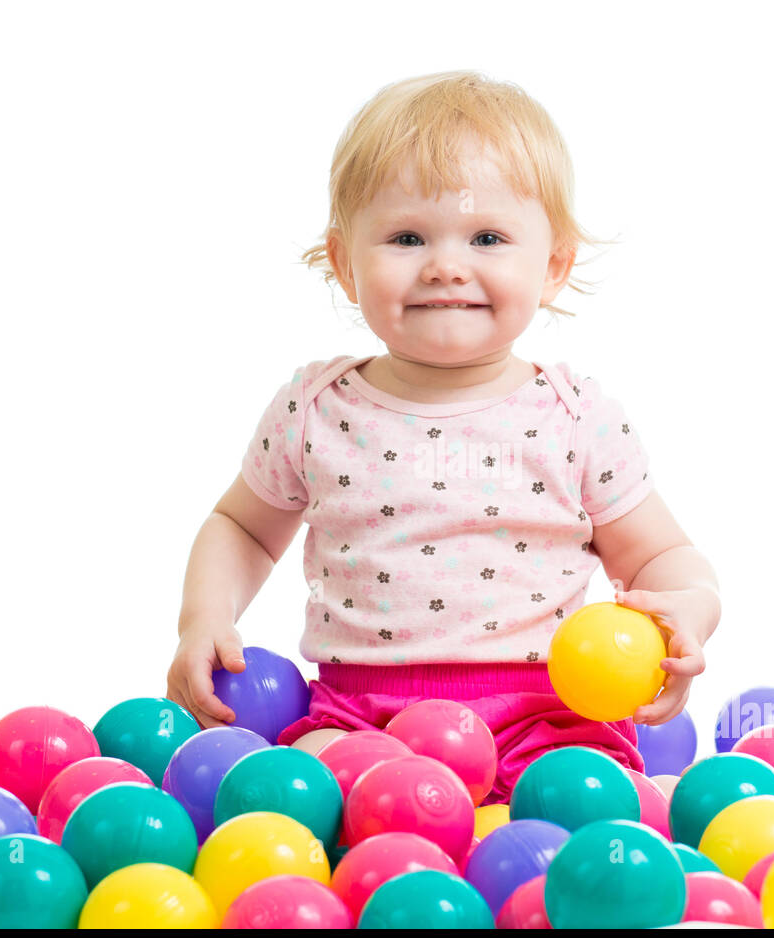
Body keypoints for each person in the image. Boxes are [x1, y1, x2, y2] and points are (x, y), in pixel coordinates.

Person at [165, 70, 721, 805]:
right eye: (405, 237)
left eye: (488, 237)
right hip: (363, 716)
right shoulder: (315, 408)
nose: (446, 265)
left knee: (590, 804)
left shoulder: (576, 416)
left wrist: (687, 607)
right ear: (344, 263)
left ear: (553, 267)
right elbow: (241, 527)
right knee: (307, 798)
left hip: (546, 717)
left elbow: (656, 553)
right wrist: (204, 619)